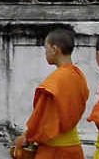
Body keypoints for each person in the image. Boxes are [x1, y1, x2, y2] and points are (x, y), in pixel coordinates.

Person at [15, 29, 88, 159]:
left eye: (46, 48)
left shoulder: (54, 82)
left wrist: (26, 137)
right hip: (74, 148)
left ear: (55, 49)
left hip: (54, 151)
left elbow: (43, 120)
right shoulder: (79, 76)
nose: (45, 53)